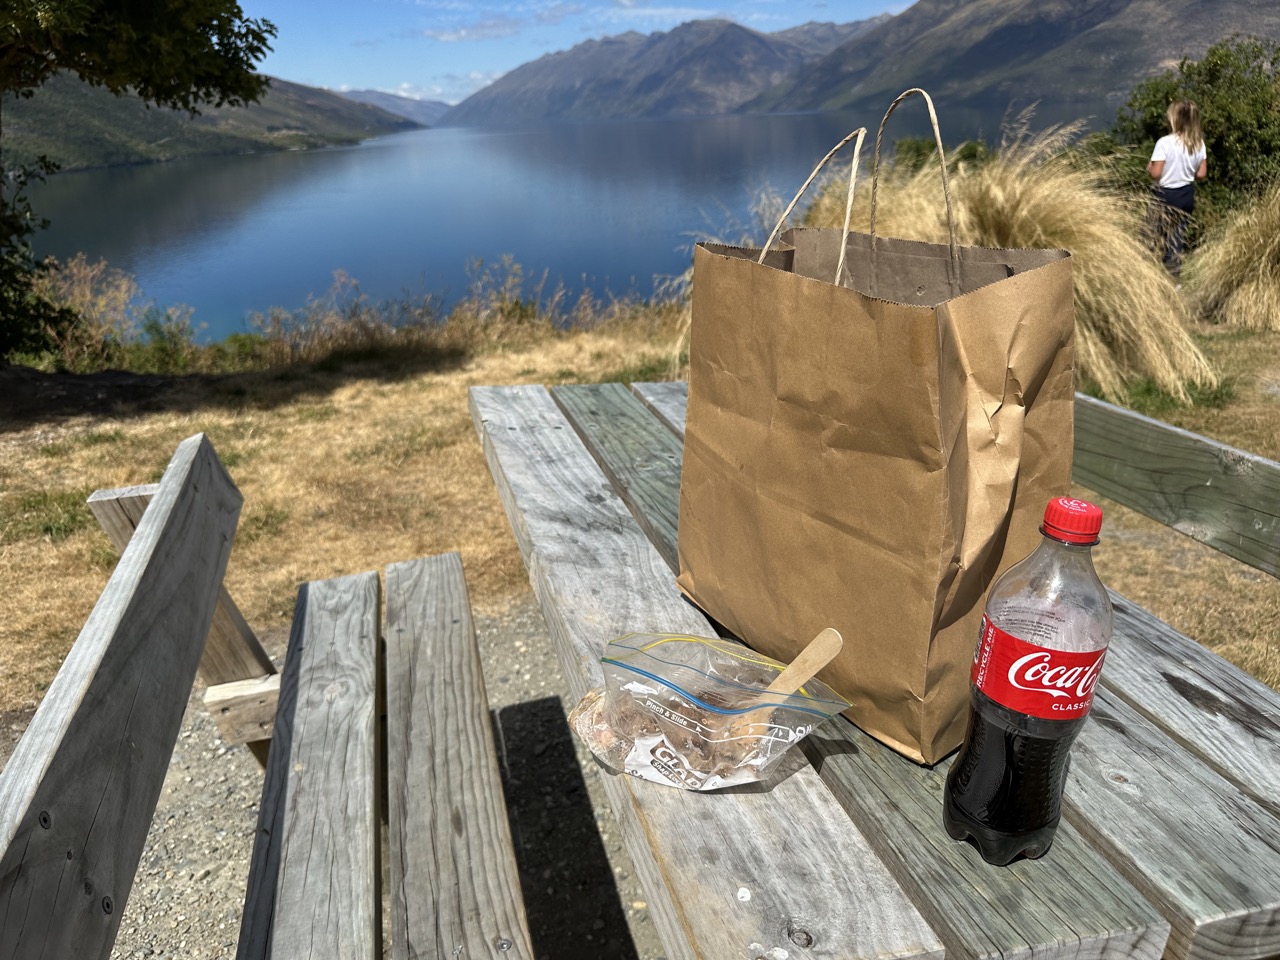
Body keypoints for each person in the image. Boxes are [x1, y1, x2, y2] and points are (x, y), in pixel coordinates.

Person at [1147, 99, 1208, 280]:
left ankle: (1143, 276)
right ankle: (1173, 280)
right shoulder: (1199, 144)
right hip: (1186, 195)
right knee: (1175, 239)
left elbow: (1156, 174)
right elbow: (1202, 174)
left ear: (1174, 119)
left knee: (1148, 237)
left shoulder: (1164, 143)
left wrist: (1150, 166)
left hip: (1165, 196)